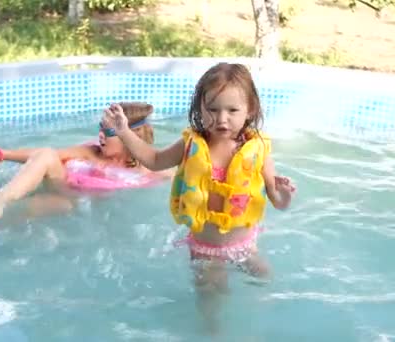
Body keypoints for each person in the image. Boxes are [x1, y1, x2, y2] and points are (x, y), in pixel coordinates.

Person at [101, 63, 296, 334]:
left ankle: (263, 329)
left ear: (250, 109)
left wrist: (284, 193)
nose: (222, 119)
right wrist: (123, 131)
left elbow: (277, 200)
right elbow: (155, 160)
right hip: (206, 248)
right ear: (199, 108)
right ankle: (212, 332)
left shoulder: (258, 149)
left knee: (264, 278)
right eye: (212, 109)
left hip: (244, 244)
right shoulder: (191, 144)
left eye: (232, 110)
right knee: (212, 297)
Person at [0, 102, 171, 220]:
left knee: (58, 207)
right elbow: (43, 155)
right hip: (63, 187)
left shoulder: (149, 169)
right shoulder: (91, 152)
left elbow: (180, 175)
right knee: (48, 155)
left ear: (128, 137)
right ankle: (3, 197)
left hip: (72, 204)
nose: (100, 135)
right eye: (100, 128)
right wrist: (3, 154)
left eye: (108, 131)